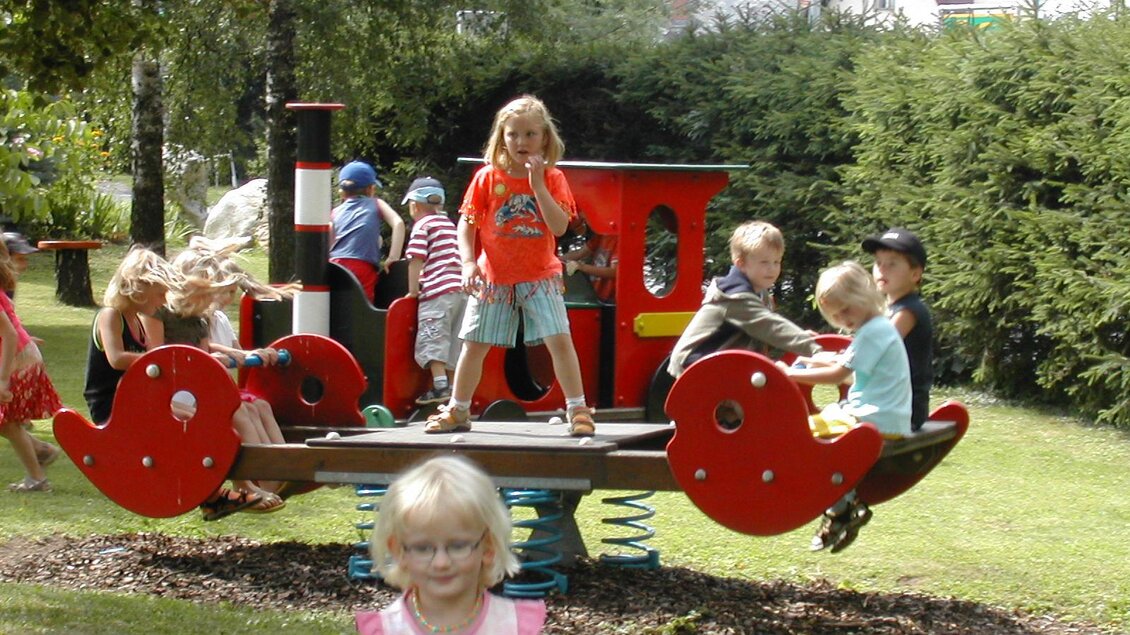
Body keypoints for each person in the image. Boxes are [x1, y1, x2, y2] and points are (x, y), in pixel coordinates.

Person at [425, 95, 595, 436]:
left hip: (540, 277)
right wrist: (468, 262)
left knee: (559, 339)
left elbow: (560, 226)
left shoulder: (553, 178)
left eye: (530, 134)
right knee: (474, 344)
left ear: (545, 138)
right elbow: (467, 223)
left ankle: (577, 408)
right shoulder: (487, 178)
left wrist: (537, 187)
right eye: (513, 134)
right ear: (501, 136)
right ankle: (458, 409)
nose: (521, 141)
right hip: (493, 276)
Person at [84, 247, 261, 519]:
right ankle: (212, 497)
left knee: (204, 423)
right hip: (112, 403)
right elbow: (117, 359)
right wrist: (167, 361)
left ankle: (213, 494)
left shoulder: (137, 321)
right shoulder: (111, 315)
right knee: (188, 426)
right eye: (159, 294)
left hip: (137, 400)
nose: (164, 300)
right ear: (138, 289)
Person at [144, 244, 289, 514]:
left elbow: (206, 348)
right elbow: (158, 357)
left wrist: (235, 353)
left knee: (245, 408)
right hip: (171, 391)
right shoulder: (160, 313)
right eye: (206, 292)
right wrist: (208, 361)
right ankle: (247, 484)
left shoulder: (198, 318)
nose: (209, 300)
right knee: (233, 414)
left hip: (196, 387)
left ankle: (277, 472)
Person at [781, 261, 912, 553]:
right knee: (825, 418)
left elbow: (838, 374)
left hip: (872, 419)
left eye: (847, 310)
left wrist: (788, 373)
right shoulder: (876, 328)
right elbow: (843, 361)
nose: (843, 318)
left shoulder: (873, 332)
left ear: (864, 296)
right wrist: (810, 359)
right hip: (884, 417)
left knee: (801, 432)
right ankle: (842, 503)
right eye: (835, 314)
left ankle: (841, 504)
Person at [356, 455, 545, 635]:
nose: (441, 563)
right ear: (399, 551)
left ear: (488, 547)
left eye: (458, 546)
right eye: (423, 548)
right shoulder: (387, 629)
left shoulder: (514, 626)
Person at [668, 220, 821, 379]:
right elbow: (771, 326)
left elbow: (762, 334)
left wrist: (801, 336)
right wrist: (816, 349)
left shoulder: (761, 294)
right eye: (764, 262)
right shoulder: (735, 296)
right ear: (741, 264)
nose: (772, 269)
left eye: (777, 262)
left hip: (719, 363)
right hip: (694, 365)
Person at [0, 242, 62, 492]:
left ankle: (37, 478)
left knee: (7, 422)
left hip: (17, 360)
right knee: (7, 422)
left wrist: (3, 381)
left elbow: (10, 334)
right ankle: (40, 451)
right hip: (20, 355)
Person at [402, 177, 467, 406]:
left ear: (415, 205)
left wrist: (413, 290)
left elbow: (416, 259)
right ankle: (454, 388)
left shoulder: (423, 225)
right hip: (461, 289)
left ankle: (439, 386)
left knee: (433, 336)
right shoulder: (450, 224)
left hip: (438, 290)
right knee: (454, 339)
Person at [863, 227, 933, 432]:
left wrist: (838, 361)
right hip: (889, 403)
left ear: (915, 273)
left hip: (902, 410)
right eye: (878, 263)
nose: (882, 269)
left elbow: (875, 349)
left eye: (892, 264)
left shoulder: (908, 311)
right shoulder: (887, 309)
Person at [330, 161, 406, 303]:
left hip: (336, 265)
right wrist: (393, 257)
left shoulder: (335, 212)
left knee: (338, 303)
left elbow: (328, 238)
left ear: (342, 192)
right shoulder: (376, 203)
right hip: (362, 265)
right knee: (363, 307)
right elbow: (398, 223)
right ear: (371, 189)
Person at [561, 215, 618, 303]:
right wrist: (555, 260)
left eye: (587, 219)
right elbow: (579, 253)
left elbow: (614, 272)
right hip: (597, 295)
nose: (586, 222)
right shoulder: (601, 236)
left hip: (612, 300)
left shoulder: (618, 240)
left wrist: (581, 267)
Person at [2, 232, 37, 299]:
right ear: (3, 259)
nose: (25, 264)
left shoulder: (8, 282)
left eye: (25, 259)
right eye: (20, 259)